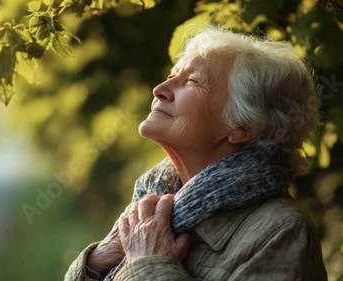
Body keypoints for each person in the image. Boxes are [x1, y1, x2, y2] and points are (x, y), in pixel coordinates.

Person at [64, 27, 327, 280]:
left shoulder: (282, 229)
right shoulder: (148, 211)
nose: (159, 90)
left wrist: (147, 264)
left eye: (191, 81)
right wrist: (96, 264)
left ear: (243, 126)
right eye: (171, 75)